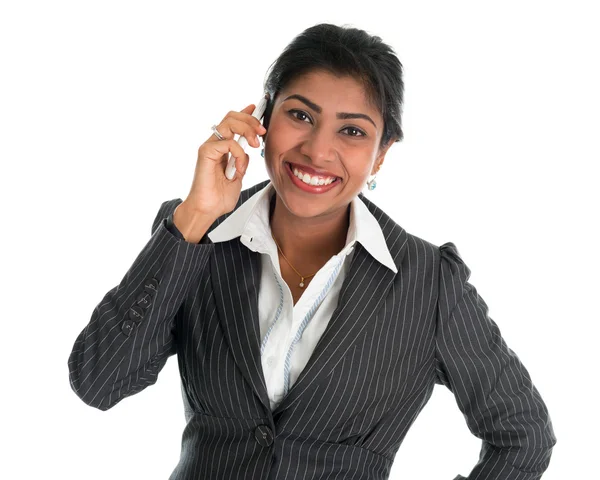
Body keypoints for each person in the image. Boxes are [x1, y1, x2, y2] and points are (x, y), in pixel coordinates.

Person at [68, 23, 556, 480]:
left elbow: (522, 437)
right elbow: (100, 382)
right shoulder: (196, 238)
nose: (318, 151)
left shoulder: (429, 283)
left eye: (352, 131)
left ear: (381, 154)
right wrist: (194, 218)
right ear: (261, 120)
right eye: (300, 115)